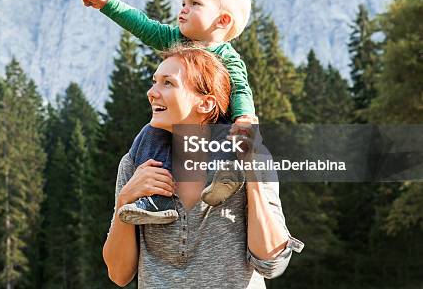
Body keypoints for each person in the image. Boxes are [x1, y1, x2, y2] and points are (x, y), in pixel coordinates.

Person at [102, 47, 304, 288]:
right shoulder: (137, 165)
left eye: (168, 83)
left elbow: (270, 264)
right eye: (154, 82)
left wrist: (253, 177)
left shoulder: (250, 157)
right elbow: (119, 274)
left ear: (206, 104)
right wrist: (125, 201)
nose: (151, 93)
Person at [75, 0, 257, 223]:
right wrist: (106, 3)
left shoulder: (228, 57)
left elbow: (240, 90)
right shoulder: (176, 40)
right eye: (183, 2)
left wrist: (244, 117)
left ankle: (226, 177)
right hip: (176, 124)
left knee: (228, 136)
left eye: (195, 3)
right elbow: (142, 25)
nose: (183, 8)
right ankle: (157, 201)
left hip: (213, 122)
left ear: (223, 20)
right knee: (151, 135)